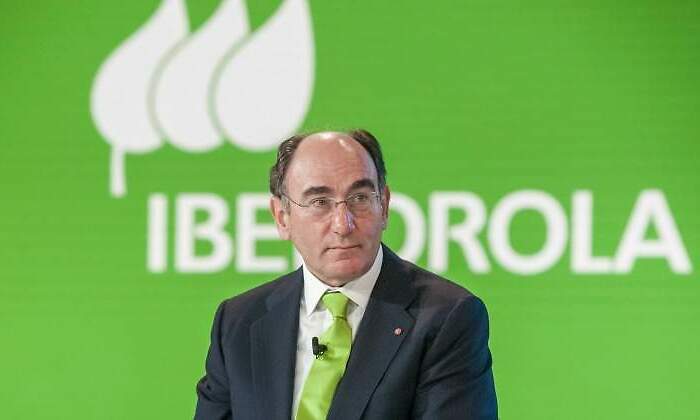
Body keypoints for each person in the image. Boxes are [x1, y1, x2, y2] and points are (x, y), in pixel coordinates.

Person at [194, 129, 498, 419]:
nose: (343, 224)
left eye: (360, 198)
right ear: (282, 217)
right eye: (320, 203)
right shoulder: (239, 321)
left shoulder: (446, 317)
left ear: (384, 205)